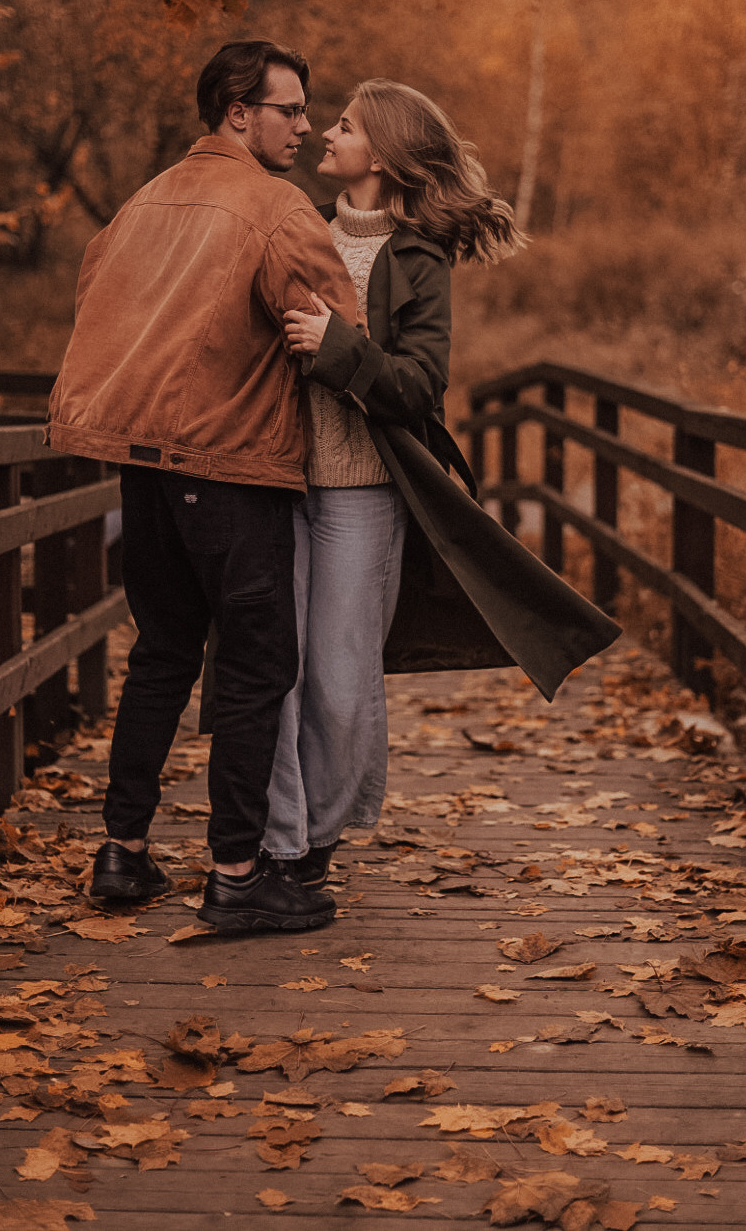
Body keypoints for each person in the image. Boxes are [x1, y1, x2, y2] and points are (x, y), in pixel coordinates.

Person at [260, 79, 621, 888]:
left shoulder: (419, 259)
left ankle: (319, 839)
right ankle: (277, 842)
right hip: (277, 482)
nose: (324, 133)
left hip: (361, 492)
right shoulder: (299, 231)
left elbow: (420, 387)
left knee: (341, 677)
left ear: (380, 156)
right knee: (271, 665)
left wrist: (334, 344)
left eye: (343, 127)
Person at [45, 40, 359, 932]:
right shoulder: (275, 207)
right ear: (236, 111)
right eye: (288, 109)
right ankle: (235, 873)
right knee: (259, 666)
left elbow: (94, 309)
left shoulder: (139, 203)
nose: (303, 124)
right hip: (229, 466)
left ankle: (123, 853)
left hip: (141, 468)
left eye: (306, 112)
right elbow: (340, 325)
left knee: (161, 654)